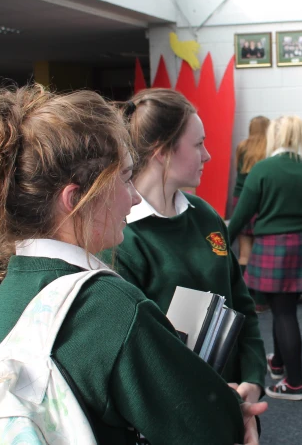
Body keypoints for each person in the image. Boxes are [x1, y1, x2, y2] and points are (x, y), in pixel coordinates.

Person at [0, 85, 265, 444]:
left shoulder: (7, 298)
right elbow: (207, 425)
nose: (132, 197)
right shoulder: (110, 306)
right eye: (126, 178)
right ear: (76, 199)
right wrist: (235, 417)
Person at [113, 88, 266, 404]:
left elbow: (241, 303)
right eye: (198, 144)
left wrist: (253, 377)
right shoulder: (123, 235)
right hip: (177, 409)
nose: (207, 155)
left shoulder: (205, 215)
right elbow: (134, 352)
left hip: (232, 396)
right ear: (162, 152)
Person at [229, 115, 302, 401]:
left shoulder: (263, 170)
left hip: (274, 247)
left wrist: (223, 242)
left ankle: (294, 384)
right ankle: (279, 363)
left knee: (283, 313)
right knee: (286, 306)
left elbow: (243, 213)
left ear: (276, 136)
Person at [233, 116, 272, 312]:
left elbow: (237, 171)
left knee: (244, 252)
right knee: (261, 252)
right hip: (261, 202)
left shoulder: (242, 146)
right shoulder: (270, 148)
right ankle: (262, 301)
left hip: (240, 199)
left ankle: (245, 298)